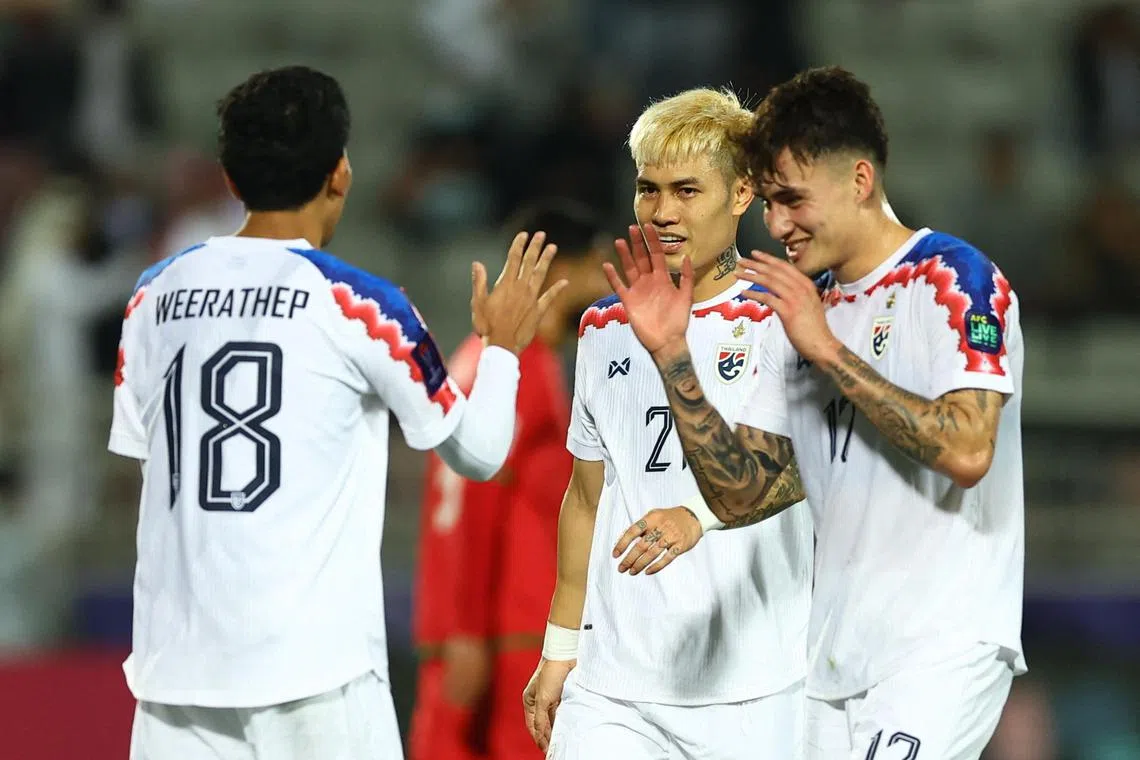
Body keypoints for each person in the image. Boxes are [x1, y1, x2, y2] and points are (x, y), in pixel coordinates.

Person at [108, 65, 567, 760]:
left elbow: (148, 459)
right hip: (316, 683)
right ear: (341, 173)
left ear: (230, 180)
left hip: (175, 683)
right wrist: (501, 348)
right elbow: (480, 452)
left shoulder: (152, 297)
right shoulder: (361, 304)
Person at [608, 66, 1025, 759]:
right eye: (768, 202)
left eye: (793, 200)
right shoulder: (806, 305)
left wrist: (826, 350)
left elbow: (969, 451)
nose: (776, 224)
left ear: (859, 181)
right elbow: (743, 492)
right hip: (831, 662)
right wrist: (674, 356)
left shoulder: (955, 281)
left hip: (940, 649)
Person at [522, 88, 814, 759]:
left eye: (687, 190)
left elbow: (800, 470)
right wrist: (561, 647)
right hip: (616, 687)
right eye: (648, 190)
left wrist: (698, 515)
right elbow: (588, 497)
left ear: (743, 194)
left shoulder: (787, 316)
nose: (663, 212)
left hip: (756, 685)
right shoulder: (601, 326)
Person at [410, 200, 611, 760]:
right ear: (568, 266)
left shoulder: (480, 360)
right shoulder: (517, 370)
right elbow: (477, 498)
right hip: (505, 637)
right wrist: (469, 632)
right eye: (598, 263)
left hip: (479, 632)